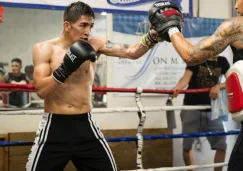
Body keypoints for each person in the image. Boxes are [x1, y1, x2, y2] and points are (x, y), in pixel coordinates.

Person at [26, 1, 162, 171]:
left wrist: (154, 35)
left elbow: (131, 52)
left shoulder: (95, 43)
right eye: (82, 25)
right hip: (55, 127)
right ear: (67, 25)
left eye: (91, 26)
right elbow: (41, 90)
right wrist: (65, 68)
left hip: (85, 125)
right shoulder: (44, 49)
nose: (87, 31)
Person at [148, 0, 243, 170]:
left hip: (211, 109)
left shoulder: (236, 26)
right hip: (193, 105)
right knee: (188, 145)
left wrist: (171, 28)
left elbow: (191, 55)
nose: (235, 6)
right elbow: (187, 76)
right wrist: (178, 87)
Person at [171, 56, 230, 171]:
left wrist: (219, 86)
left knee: (222, 145)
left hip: (212, 109)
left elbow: (232, 81)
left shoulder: (222, 61)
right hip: (191, 107)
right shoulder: (196, 59)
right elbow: (185, 78)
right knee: (186, 147)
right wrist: (177, 88)